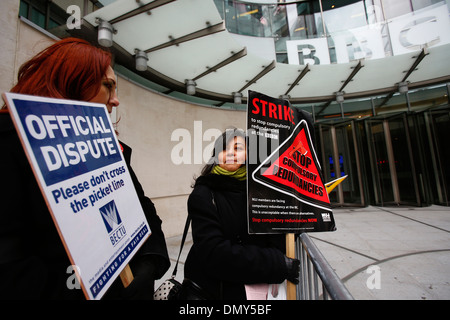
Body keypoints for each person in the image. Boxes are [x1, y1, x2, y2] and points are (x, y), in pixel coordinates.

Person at [0, 37, 169, 299]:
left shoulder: (111, 149)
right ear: (72, 81)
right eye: (108, 86)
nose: (116, 101)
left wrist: (148, 264)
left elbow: (143, 208)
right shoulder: (9, 146)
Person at [181, 127, 299, 300]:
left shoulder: (261, 193)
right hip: (214, 292)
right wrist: (276, 264)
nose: (230, 153)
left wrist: (295, 218)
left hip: (253, 292)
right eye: (223, 148)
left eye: (237, 148)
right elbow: (214, 254)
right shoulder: (203, 194)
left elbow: (273, 239)